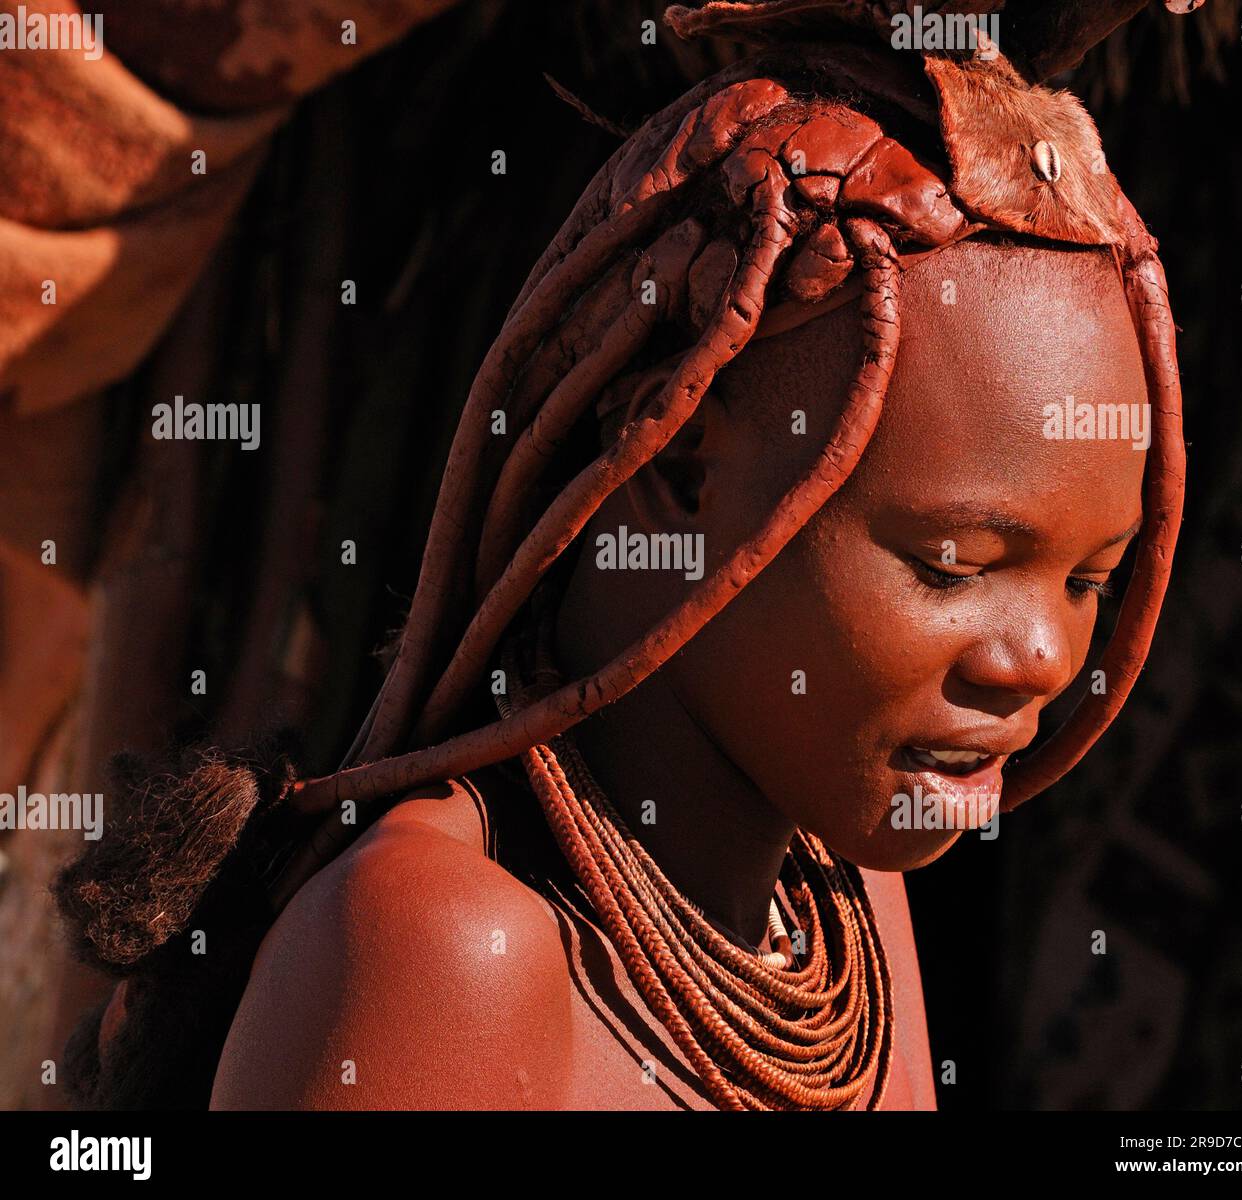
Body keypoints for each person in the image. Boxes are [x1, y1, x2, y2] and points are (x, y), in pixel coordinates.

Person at [57, 1, 1185, 1111]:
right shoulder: (452, 948)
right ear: (683, 460)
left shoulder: (839, 922)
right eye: (954, 562)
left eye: (1091, 580)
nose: (1041, 658)